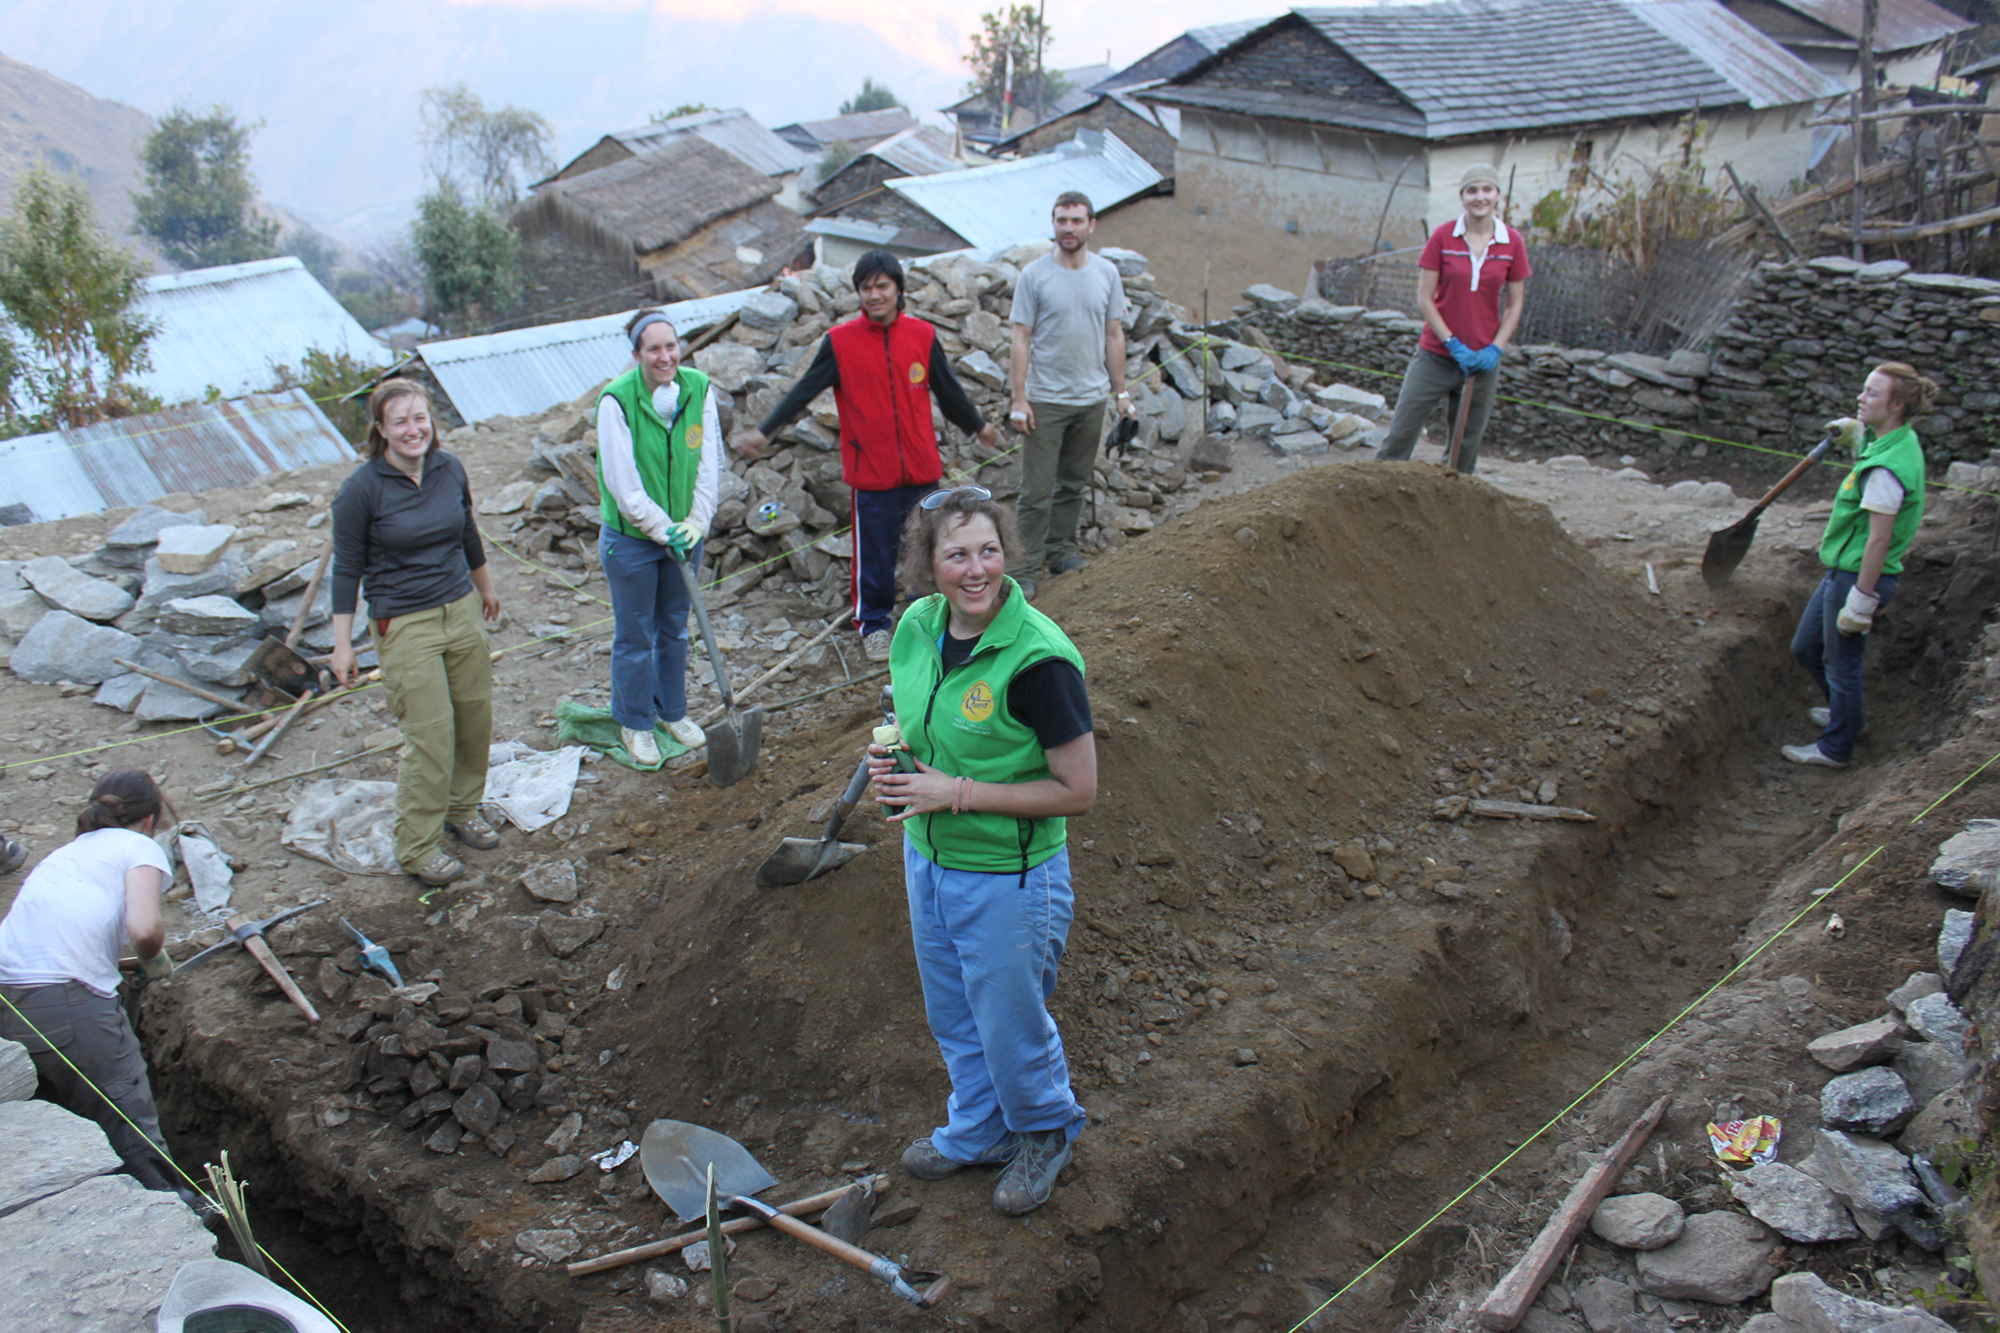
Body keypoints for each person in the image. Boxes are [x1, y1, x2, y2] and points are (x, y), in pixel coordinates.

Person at [866, 485, 1095, 1216]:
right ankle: (980, 1127)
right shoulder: (918, 627)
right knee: (954, 1010)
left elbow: (1078, 789)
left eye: (988, 551)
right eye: (957, 553)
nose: (976, 569)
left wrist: (954, 792)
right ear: (929, 564)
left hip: (1010, 874)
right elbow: (912, 713)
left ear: (1007, 555)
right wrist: (896, 761)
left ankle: (1044, 1130)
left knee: (1009, 1017)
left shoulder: (1040, 662)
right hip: (928, 856)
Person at [735, 251, 999, 664]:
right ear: (858, 292)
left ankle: (925, 617)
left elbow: (948, 393)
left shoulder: (922, 336)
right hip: (871, 473)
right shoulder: (840, 343)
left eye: (882, 286)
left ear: (898, 289)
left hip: (921, 468)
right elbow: (802, 392)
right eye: (866, 287)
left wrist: (978, 425)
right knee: (874, 554)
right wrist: (764, 430)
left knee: (929, 548)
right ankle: (874, 625)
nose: (874, 295)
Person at [0, 771, 205, 1215]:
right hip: (68, 1004)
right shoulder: (139, 847)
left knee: (60, 1124)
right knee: (129, 1123)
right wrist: (151, 957)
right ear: (150, 820)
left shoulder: (63, 855)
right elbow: (145, 928)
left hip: (9, 1002)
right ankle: (177, 1220)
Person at [330, 379, 502, 888]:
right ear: (380, 429)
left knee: (474, 717)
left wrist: (484, 588)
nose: (413, 429)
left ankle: (462, 807)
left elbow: (467, 530)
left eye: (420, 418)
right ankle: (417, 846)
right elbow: (346, 570)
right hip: (404, 622)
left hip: (461, 608)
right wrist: (342, 645)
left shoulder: (449, 468)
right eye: (400, 421)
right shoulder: (361, 490)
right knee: (430, 734)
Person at [1783, 362, 1934, 769]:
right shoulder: (1893, 443)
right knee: (1805, 647)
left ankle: (1837, 747)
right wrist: (1858, 437)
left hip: (1856, 578)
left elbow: (1880, 538)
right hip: (1842, 569)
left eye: (1871, 393)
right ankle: (1847, 717)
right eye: (1863, 389)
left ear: (1898, 404)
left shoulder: (1887, 468)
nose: (1860, 398)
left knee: (1841, 663)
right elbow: (1874, 458)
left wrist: (1862, 600)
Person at [597, 309, 720, 767]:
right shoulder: (616, 401)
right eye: (654, 349)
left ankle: (672, 712)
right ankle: (635, 722)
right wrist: (659, 528)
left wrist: (696, 522)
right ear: (636, 354)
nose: (665, 356)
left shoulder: (698, 388)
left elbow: (710, 462)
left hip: (685, 533)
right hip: (632, 539)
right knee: (635, 634)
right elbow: (623, 485)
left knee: (673, 628)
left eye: (671, 346)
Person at [1007, 191, 1134, 595]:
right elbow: (1020, 337)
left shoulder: (1106, 274)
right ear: (1053, 224)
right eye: (1061, 220)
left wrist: (1121, 393)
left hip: (1091, 398)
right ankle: (1024, 568)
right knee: (1035, 491)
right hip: (1045, 399)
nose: (1068, 228)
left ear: (1091, 225)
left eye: (1077, 220)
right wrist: (1019, 398)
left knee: (1073, 483)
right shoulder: (1035, 276)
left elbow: (1113, 334)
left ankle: (1061, 551)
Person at [1375, 163, 1531, 474]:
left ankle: (1451, 510)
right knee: (1400, 435)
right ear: (1462, 196)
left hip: (1482, 361)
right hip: (1436, 355)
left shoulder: (1512, 242)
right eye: (1472, 190)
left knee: (1464, 450)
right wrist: (1451, 342)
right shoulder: (1444, 237)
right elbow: (1424, 298)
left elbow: (1514, 306)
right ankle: (1377, 497)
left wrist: (1495, 349)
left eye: (1487, 189)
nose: (1480, 197)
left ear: (1498, 194)